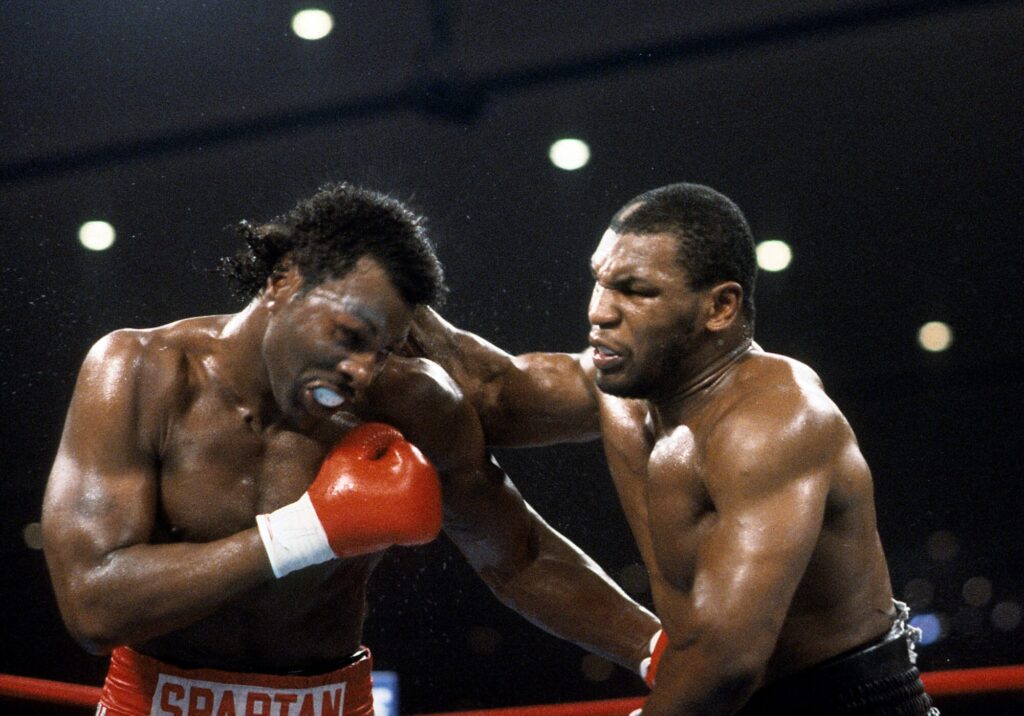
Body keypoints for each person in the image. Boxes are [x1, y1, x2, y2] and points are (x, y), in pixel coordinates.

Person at [41, 182, 661, 716]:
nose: (362, 371)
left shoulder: (412, 402)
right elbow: (94, 606)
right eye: (349, 335)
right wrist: (307, 531)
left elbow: (517, 556)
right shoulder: (141, 372)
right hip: (156, 702)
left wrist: (659, 650)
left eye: (384, 349)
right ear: (282, 280)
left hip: (329, 702)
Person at [409, 183, 937, 715]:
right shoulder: (618, 392)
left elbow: (726, 661)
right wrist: (384, 281)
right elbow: (486, 392)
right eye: (600, 281)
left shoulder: (774, 421)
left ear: (720, 306)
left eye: (635, 291)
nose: (599, 311)